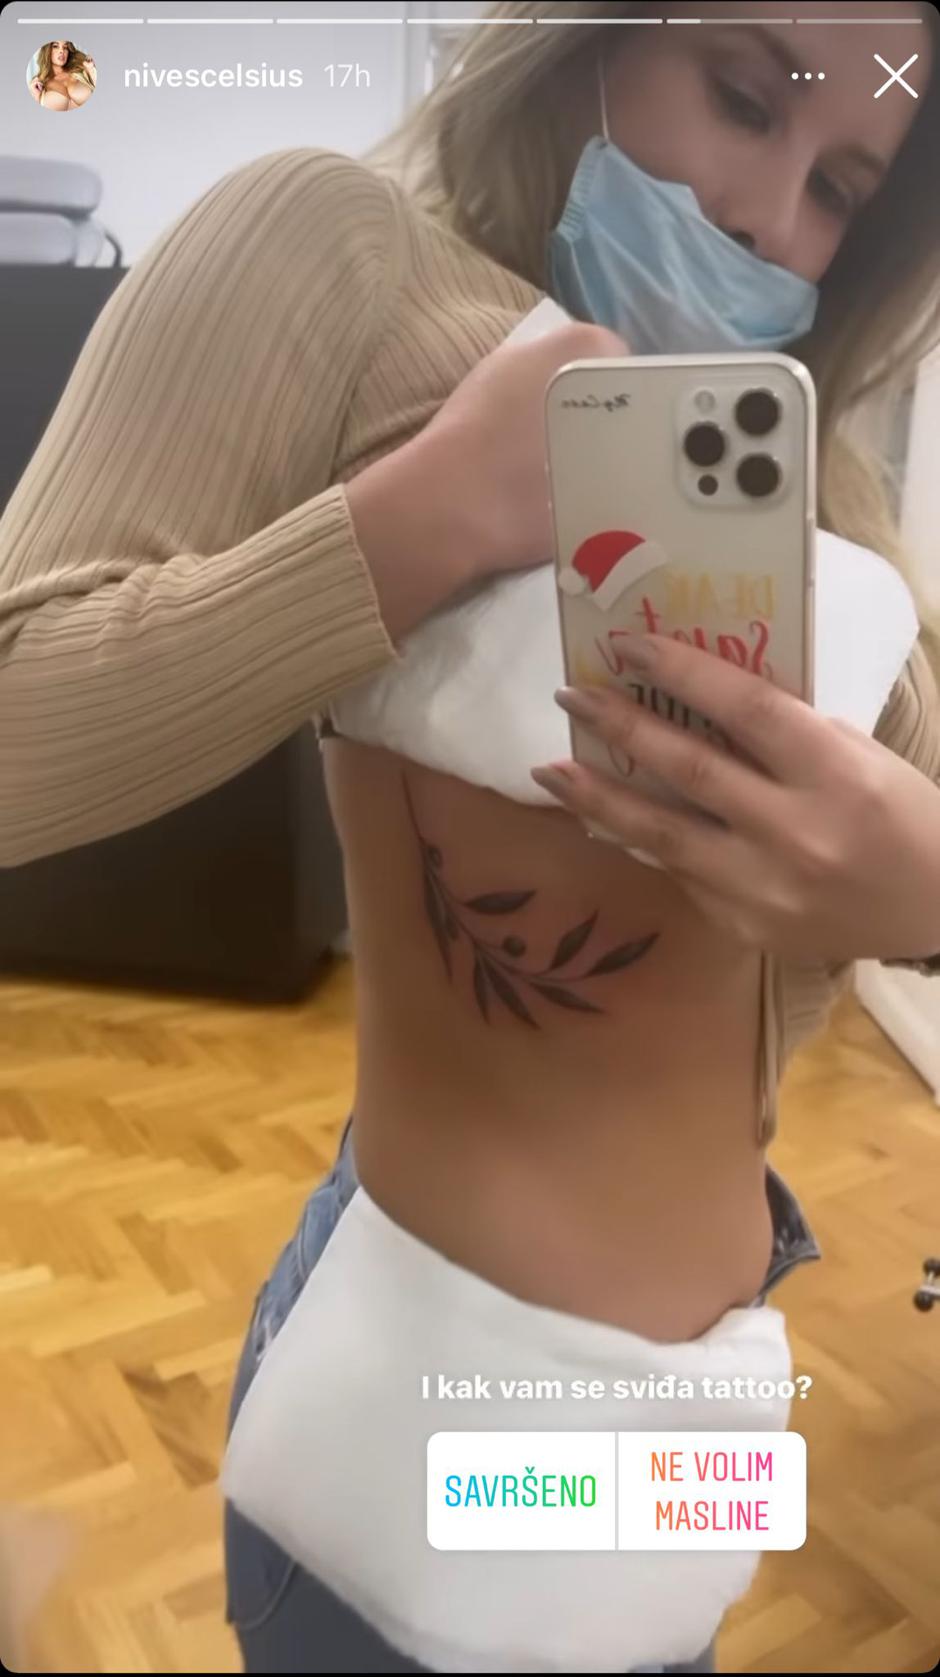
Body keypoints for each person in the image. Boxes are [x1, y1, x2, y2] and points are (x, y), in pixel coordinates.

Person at [0, 0, 938, 1671]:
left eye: (840, 191)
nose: (766, 219)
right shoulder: (343, 257)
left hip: (708, 1408)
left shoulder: (810, 474)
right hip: (446, 1405)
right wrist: (424, 517)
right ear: (588, 39)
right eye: (742, 98)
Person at [29, 40, 96, 111]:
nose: (62, 51)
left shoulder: (82, 70)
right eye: (55, 46)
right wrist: (36, 97)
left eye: (65, 47)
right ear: (46, 50)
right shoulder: (37, 85)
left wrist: (91, 69)